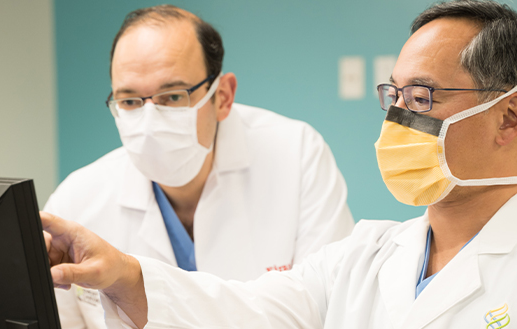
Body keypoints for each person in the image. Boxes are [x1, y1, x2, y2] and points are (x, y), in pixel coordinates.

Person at [41, 1, 517, 328]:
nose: (397, 121)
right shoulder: (363, 256)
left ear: (508, 118)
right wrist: (125, 274)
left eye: (423, 98)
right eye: (394, 97)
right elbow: (247, 315)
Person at [43, 5, 354, 328]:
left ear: (222, 96)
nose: (149, 122)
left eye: (173, 96)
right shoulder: (77, 200)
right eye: (130, 101)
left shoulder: (297, 155)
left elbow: (330, 307)